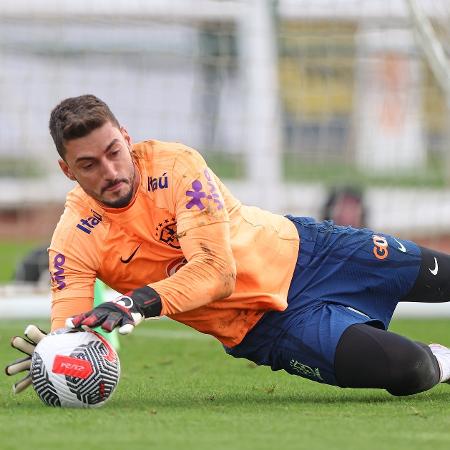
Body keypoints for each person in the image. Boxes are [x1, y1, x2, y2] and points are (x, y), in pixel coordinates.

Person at [5, 94, 450, 397]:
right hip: (264, 327)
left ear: (125, 136)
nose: (110, 170)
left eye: (113, 151)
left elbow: (217, 271)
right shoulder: (73, 240)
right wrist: (56, 355)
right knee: (410, 369)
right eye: (89, 164)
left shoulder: (176, 166)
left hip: (311, 252)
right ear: (68, 171)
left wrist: (136, 303)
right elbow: (73, 325)